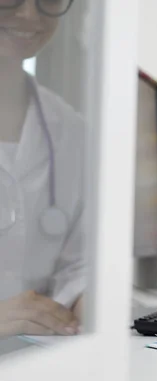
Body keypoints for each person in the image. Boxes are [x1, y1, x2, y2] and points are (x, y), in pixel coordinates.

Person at [0, 0, 84, 339]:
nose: (30, 15)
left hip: (37, 359)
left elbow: (79, 263)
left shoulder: (71, 129)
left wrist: (95, 311)